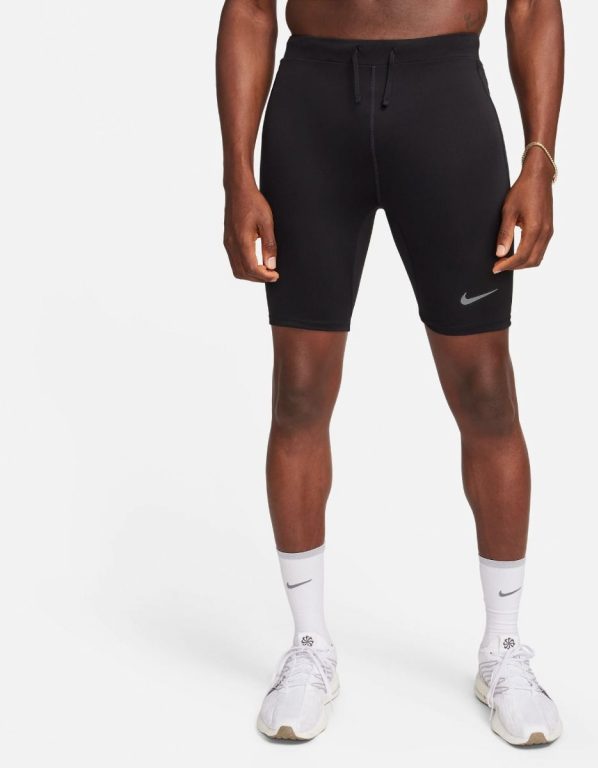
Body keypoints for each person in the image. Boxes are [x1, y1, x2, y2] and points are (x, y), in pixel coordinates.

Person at [216, 0, 564, 746]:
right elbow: (248, 8)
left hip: (445, 102)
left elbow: (534, 5)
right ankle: (309, 646)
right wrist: (237, 174)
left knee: (486, 392)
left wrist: (539, 158)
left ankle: (504, 649)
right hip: (311, 107)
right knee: (299, 390)